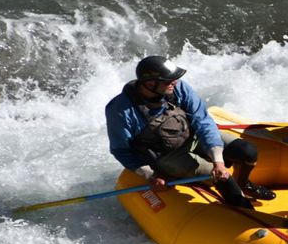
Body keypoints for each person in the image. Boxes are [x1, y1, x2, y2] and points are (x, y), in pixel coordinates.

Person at [106, 55, 275, 209]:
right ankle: (244, 210)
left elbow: (203, 121)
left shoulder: (178, 89)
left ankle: (243, 183)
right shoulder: (121, 111)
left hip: (192, 136)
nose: (175, 83)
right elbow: (121, 150)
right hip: (167, 155)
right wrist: (149, 175)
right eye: (169, 80)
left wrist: (218, 160)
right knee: (222, 178)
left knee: (248, 151)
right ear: (150, 84)